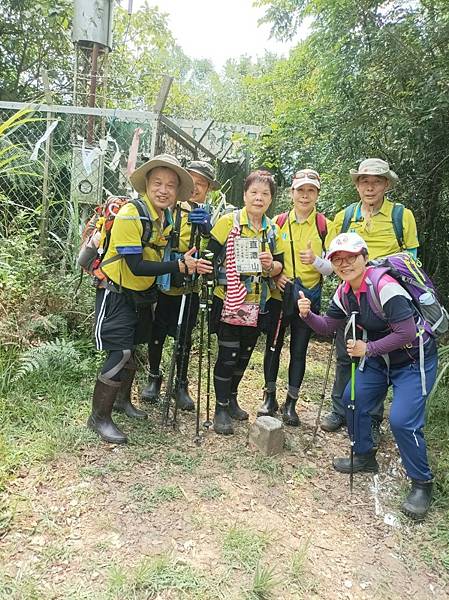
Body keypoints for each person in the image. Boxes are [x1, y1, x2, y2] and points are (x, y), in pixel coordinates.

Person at [298, 232, 438, 520]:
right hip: (378, 358)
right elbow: (327, 327)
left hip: (413, 359)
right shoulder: (344, 291)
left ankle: (422, 483)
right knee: (353, 398)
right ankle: (364, 456)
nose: (344, 264)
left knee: (402, 421)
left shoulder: (384, 286)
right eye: (338, 259)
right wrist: (307, 314)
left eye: (351, 258)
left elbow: (407, 332)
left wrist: (368, 348)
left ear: (364, 257)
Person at [87, 154, 212, 444]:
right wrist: (180, 265)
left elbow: (161, 254)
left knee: (133, 349)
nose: (164, 190)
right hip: (116, 291)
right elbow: (136, 265)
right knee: (120, 353)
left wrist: (187, 258)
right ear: (146, 185)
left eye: (171, 185)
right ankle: (98, 418)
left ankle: (121, 402)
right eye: (157, 183)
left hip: (140, 293)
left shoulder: (163, 216)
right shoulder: (132, 214)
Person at [322, 158, 419, 439]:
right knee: (345, 354)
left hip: (383, 300)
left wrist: (379, 266)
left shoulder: (402, 216)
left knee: (376, 359)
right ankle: (340, 410)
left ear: (386, 184)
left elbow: (411, 257)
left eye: (376, 181)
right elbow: (334, 254)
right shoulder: (346, 215)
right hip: (351, 296)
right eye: (364, 181)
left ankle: (372, 418)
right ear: (357, 185)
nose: (370, 187)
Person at [207, 170, 283, 435]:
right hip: (228, 300)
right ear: (244, 195)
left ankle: (233, 398)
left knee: (244, 355)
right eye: (254, 192)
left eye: (265, 194)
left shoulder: (273, 229)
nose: (259, 198)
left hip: (258, 304)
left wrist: (271, 264)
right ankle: (220, 407)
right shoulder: (228, 223)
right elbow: (209, 255)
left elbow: (280, 266)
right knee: (227, 355)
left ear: (271, 199)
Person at [257, 169, 335, 425]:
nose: (305, 195)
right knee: (273, 346)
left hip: (306, 300)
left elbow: (333, 267)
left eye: (310, 190)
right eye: (300, 190)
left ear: (317, 194)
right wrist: (274, 276)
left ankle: (292, 402)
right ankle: (269, 396)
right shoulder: (277, 223)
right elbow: (266, 259)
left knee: (299, 350)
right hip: (280, 295)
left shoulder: (325, 226)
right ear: (292, 193)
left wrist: (316, 261)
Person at [141, 161, 219, 410]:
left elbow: (214, 251)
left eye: (203, 184)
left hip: (191, 284)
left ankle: (181, 384)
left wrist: (208, 231)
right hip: (166, 277)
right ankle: (154, 376)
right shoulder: (168, 207)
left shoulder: (209, 214)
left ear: (208, 189)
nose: (196, 188)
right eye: (192, 181)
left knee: (185, 334)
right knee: (158, 330)